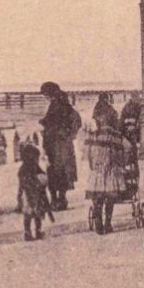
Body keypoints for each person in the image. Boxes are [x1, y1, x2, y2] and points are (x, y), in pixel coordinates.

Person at [83, 107, 129, 234]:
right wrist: (121, 163)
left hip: (97, 171)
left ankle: (98, 221)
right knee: (110, 199)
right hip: (111, 172)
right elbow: (127, 148)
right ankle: (108, 223)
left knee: (97, 198)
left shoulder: (92, 136)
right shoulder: (116, 136)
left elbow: (86, 154)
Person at [38, 82, 82, 211]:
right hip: (65, 143)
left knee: (53, 171)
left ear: (49, 94)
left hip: (54, 143)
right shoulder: (66, 105)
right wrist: (70, 134)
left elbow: (50, 122)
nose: (45, 97)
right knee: (64, 171)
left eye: (45, 95)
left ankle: (54, 200)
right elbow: (76, 121)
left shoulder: (55, 105)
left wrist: (42, 123)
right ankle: (62, 199)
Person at [17, 142, 54, 241]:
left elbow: (41, 174)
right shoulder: (24, 169)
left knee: (37, 214)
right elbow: (23, 183)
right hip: (29, 194)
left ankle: (37, 231)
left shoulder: (33, 167)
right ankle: (28, 232)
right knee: (29, 214)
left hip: (37, 194)